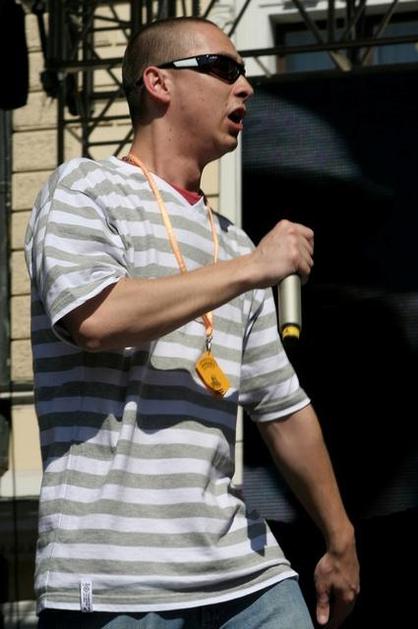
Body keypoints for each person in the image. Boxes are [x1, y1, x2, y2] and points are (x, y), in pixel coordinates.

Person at [25, 15, 359, 629]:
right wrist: (252, 269)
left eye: (245, 73)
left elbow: (282, 408)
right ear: (159, 83)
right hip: (118, 581)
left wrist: (341, 537)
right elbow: (96, 317)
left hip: (245, 574)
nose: (245, 87)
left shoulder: (232, 244)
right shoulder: (84, 189)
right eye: (223, 69)